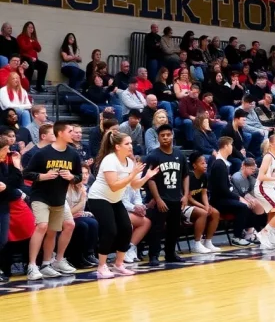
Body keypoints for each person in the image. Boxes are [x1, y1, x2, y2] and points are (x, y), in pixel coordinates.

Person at [88, 132, 158, 278]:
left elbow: (134, 185)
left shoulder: (130, 162)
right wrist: (132, 175)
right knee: (110, 230)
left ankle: (119, 264)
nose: (131, 146)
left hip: (115, 199)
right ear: (117, 147)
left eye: (131, 143)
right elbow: (114, 185)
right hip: (98, 198)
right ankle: (102, 266)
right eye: (127, 144)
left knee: (126, 228)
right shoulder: (109, 160)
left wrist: (146, 177)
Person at [23, 121, 81, 280]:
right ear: (60, 133)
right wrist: (43, 176)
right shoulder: (42, 153)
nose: (74, 133)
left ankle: (47, 264)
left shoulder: (73, 154)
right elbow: (26, 173)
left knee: (52, 231)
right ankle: (32, 265)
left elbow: (79, 177)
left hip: (59, 198)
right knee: (42, 226)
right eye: (70, 131)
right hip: (40, 196)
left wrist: (71, 177)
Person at [144, 124, 189, 266]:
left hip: (176, 198)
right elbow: (150, 179)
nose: (165, 138)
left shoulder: (179, 154)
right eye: (162, 135)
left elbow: (186, 176)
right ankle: (154, 255)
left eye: (168, 135)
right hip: (161, 199)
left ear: (172, 136)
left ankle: (170, 253)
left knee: (174, 228)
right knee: (157, 228)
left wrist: (186, 195)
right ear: (158, 137)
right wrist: (157, 199)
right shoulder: (153, 156)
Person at [184, 151, 222, 254]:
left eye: (205, 163)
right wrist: (203, 207)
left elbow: (204, 194)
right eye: (202, 163)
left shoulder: (204, 176)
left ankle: (208, 241)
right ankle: (197, 244)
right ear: (194, 165)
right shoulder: (189, 177)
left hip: (198, 205)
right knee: (204, 213)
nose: (205, 165)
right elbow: (188, 197)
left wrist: (207, 205)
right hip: (186, 206)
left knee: (215, 213)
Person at [0, 135, 23, 283]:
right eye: (5, 149)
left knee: (2, 240)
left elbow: (14, 185)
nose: (8, 152)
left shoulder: (4, 164)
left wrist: (16, 166)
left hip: (3, 205)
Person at [17, 21, 47, 93]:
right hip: (25, 58)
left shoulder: (33, 38)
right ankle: (27, 86)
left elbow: (39, 49)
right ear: (25, 28)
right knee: (30, 64)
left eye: (32, 27)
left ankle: (39, 86)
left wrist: (33, 41)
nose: (31, 29)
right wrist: (31, 43)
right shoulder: (21, 37)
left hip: (33, 59)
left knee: (44, 65)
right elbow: (24, 48)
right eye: (29, 27)